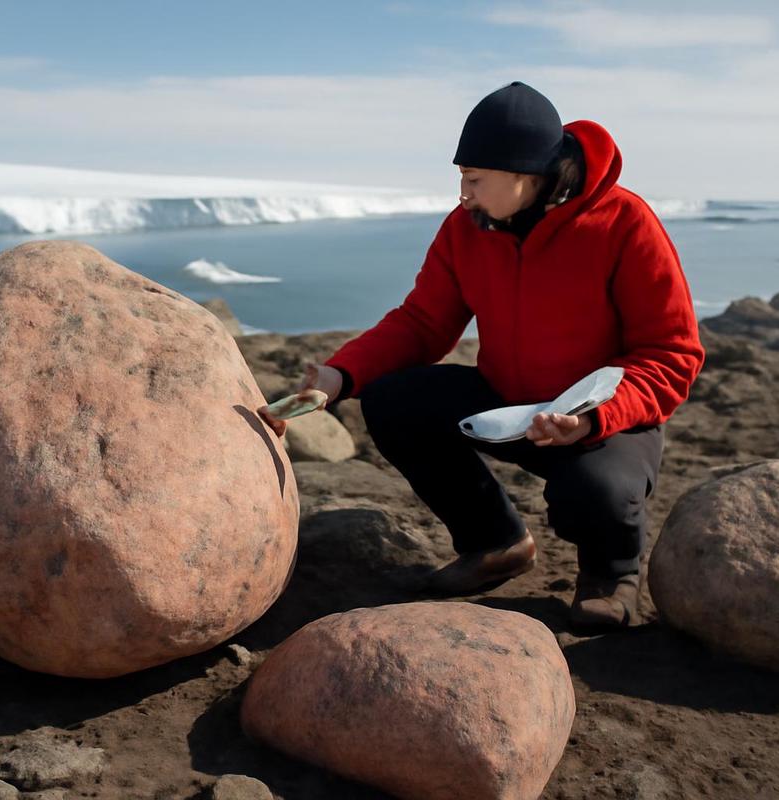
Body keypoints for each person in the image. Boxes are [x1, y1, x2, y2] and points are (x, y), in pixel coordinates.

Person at [259, 81, 705, 629]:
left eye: (474, 179)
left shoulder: (624, 222)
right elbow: (423, 323)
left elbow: (671, 353)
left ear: (526, 175)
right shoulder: (465, 228)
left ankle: (610, 575)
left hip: (602, 418)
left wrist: (595, 417)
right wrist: (340, 374)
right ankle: (496, 543)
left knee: (596, 491)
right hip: (507, 405)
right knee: (393, 400)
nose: (463, 195)